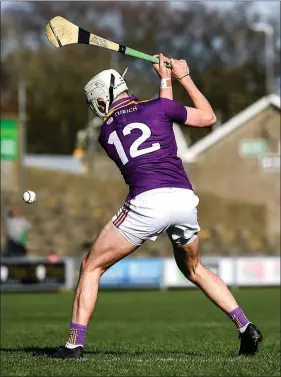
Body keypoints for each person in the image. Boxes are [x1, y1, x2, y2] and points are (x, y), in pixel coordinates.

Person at [53, 54, 263, 358]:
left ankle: (73, 345)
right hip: (183, 199)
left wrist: (167, 80)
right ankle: (245, 326)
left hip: (147, 202)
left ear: (101, 103)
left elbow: (151, 122)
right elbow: (207, 117)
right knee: (194, 268)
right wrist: (180, 77)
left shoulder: (106, 133)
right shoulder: (159, 107)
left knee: (91, 266)